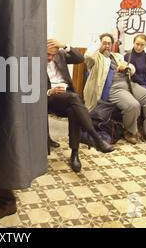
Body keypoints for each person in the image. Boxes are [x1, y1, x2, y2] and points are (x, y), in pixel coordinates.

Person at [84, 33, 146, 146]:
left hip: (129, 84)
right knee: (133, 105)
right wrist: (98, 44)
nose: (107, 46)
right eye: (104, 43)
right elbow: (88, 55)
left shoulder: (116, 56)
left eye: (109, 43)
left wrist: (127, 67)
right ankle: (129, 131)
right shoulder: (95, 59)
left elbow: (131, 67)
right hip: (114, 88)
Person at [47, 39, 114, 173]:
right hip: (49, 97)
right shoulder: (33, 61)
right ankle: (95, 137)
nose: (51, 58)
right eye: (48, 55)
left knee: (74, 109)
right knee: (75, 98)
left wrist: (65, 46)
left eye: (53, 55)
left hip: (67, 96)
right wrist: (49, 91)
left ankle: (75, 153)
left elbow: (80, 58)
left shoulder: (59, 55)